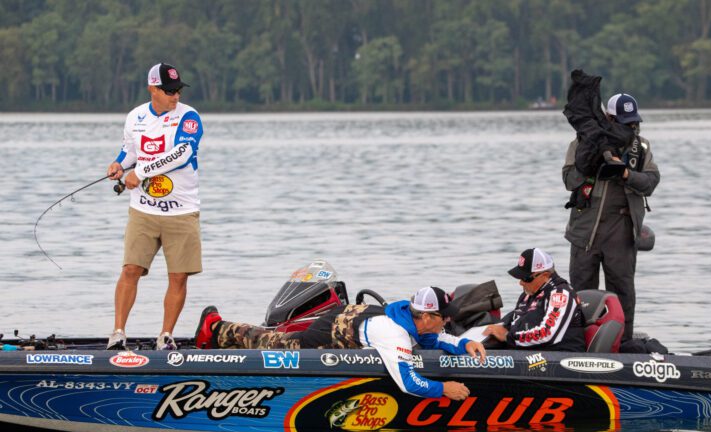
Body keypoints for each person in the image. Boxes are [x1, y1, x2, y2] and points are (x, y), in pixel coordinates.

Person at [194, 287, 487, 401]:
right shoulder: (393, 333)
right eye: (443, 317)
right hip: (328, 335)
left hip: (349, 324)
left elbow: (432, 337)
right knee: (271, 342)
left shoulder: (410, 318)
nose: (446, 322)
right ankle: (216, 327)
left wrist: (462, 345)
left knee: (273, 339)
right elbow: (407, 382)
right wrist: (443, 389)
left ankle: (220, 334)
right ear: (425, 315)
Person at [106, 63, 204, 351]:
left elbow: (183, 153)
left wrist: (143, 171)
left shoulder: (189, 117)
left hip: (182, 211)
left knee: (178, 277)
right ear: (153, 89)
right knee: (130, 270)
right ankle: (118, 333)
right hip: (143, 212)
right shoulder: (135, 117)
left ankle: (165, 337)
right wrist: (119, 165)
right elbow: (129, 151)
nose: (175, 96)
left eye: (178, 90)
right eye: (169, 91)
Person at [562, 93, 660, 343]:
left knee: (623, 293)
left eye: (633, 122)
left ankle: (624, 345)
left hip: (622, 230)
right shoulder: (583, 142)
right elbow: (568, 180)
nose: (630, 127)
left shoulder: (642, 147)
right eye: (624, 122)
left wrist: (625, 173)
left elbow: (650, 182)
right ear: (608, 118)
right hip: (586, 231)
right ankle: (578, 344)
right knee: (582, 292)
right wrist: (590, 160)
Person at [482, 248, 586, 352]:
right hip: (530, 352)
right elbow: (513, 321)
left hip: (560, 356)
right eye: (520, 277)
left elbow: (546, 334)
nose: (521, 283)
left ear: (545, 275)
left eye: (526, 278)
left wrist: (507, 336)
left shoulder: (560, 295)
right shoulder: (528, 294)